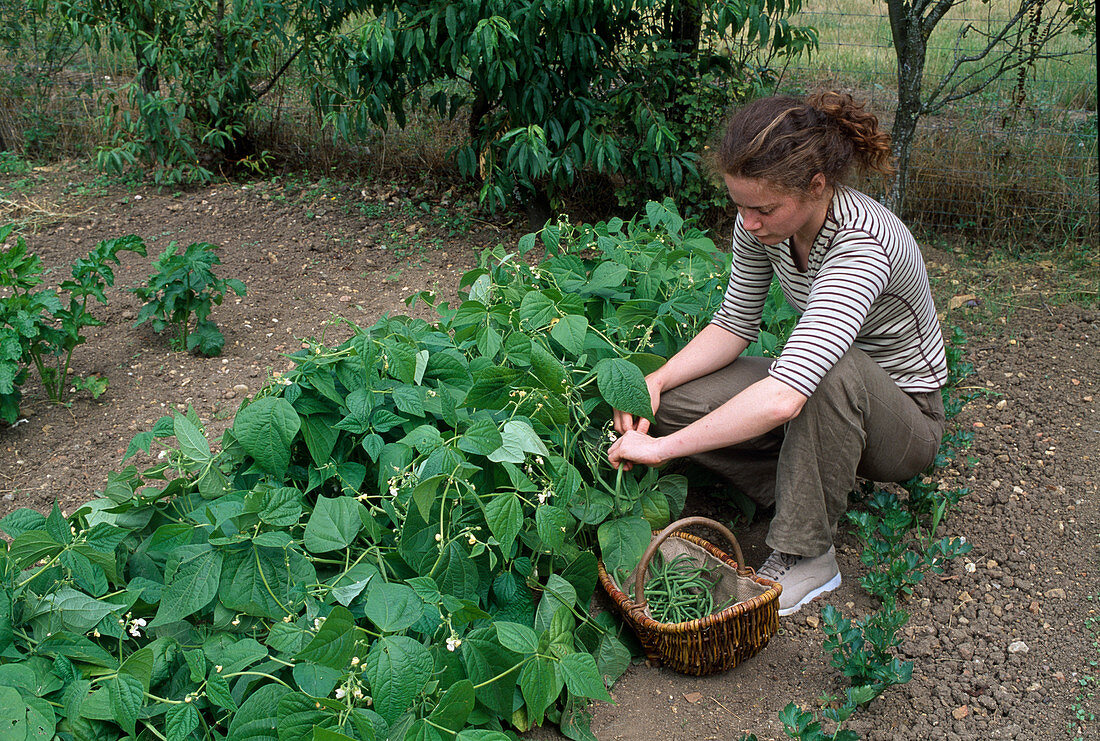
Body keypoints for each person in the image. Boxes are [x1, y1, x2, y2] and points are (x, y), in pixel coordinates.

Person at [607, 91, 948, 616]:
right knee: (667, 405)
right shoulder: (763, 226)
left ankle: (807, 552)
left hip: (903, 420)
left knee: (832, 372)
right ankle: (804, 482)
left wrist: (662, 451)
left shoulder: (862, 244)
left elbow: (788, 395)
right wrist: (657, 380)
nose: (747, 222)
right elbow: (733, 323)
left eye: (763, 208)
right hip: (821, 397)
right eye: (739, 204)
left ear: (817, 187)